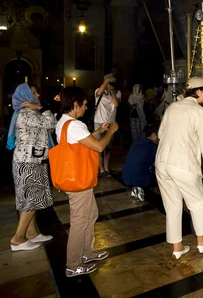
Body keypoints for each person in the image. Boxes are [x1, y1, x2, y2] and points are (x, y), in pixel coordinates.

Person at [56, 86, 118, 276]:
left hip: (78, 179)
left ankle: (87, 252)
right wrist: (111, 132)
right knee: (80, 221)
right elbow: (98, 147)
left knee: (90, 215)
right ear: (75, 104)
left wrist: (99, 129)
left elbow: (84, 141)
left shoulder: (65, 123)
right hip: (78, 181)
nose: (85, 108)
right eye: (83, 105)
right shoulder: (75, 125)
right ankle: (73, 265)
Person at [155, 77, 203, 259]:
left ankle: (177, 247)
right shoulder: (199, 112)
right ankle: (202, 243)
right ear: (198, 92)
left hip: (162, 163)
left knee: (172, 205)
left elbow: (160, 133)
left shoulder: (172, 107)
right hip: (182, 164)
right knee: (197, 202)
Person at [7, 83, 56, 252]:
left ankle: (32, 232)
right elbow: (51, 121)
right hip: (28, 162)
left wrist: (39, 109)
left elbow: (49, 126)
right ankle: (18, 239)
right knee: (30, 200)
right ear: (25, 95)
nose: (37, 96)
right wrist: (40, 107)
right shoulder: (27, 113)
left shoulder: (31, 113)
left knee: (30, 198)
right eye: (34, 93)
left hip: (31, 160)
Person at [122, 124, 159, 202]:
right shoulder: (153, 147)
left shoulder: (136, 142)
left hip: (126, 176)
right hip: (140, 179)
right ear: (153, 135)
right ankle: (140, 188)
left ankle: (137, 187)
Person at [94, 74, 121, 176]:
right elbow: (99, 93)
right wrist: (106, 82)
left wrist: (112, 90)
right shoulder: (99, 90)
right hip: (99, 121)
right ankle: (101, 169)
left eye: (113, 81)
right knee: (100, 146)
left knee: (109, 147)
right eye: (109, 81)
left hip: (111, 122)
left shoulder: (117, 92)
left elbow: (116, 103)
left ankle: (106, 168)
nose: (111, 83)